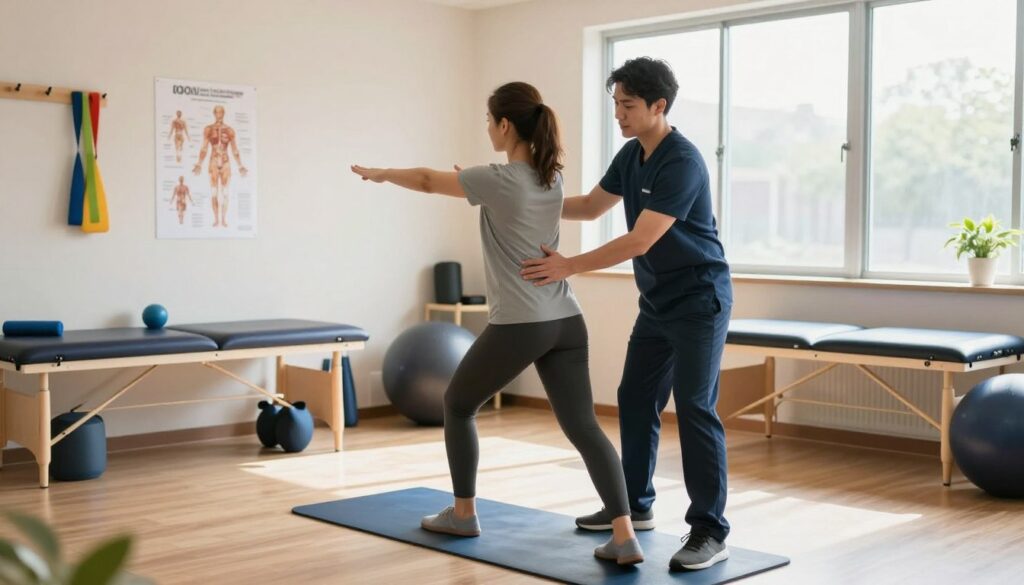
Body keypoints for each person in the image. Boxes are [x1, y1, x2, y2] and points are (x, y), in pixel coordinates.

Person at [351, 82, 644, 565]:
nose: (487, 128)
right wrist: (476, 180)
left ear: (506, 125)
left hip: (522, 322)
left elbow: (426, 180)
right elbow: (505, 196)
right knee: (584, 426)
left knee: (458, 403)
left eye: (489, 120)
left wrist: (383, 173)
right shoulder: (551, 177)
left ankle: (463, 513)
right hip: (567, 319)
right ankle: (624, 535)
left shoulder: (498, 179)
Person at [520, 57, 733, 571]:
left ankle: (709, 530)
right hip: (658, 302)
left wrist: (570, 265)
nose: (619, 113)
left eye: (628, 105)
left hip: (699, 301)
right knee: (634, 397)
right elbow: (592, 206)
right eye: (615, 103)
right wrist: (519, 198)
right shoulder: (632, 154)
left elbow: (641, 239)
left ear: (659, 106)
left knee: (695, 408)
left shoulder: (681, 160)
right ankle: (635, 506)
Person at [193, 105, 247, 228]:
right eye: (217, 112)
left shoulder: (229, 130)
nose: (219, 114)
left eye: (221, 112)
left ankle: (223, 219)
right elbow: (204, 147)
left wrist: (240, 166)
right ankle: (216, 219)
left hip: (225, 162)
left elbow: (235, 150)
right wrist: (199, 164)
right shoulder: (208, 129)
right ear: (214, 113)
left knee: (226, 193)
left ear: (224, 113)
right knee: (213, 193)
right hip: (213, 161)